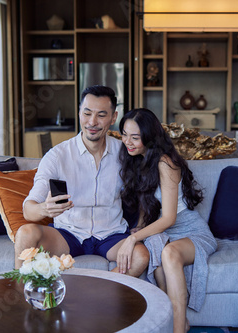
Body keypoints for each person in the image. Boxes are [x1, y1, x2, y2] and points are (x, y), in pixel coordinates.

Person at [15, 85, 149, 277]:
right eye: (87, 113)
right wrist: (45, 209)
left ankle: (101, 293)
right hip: (68, 234)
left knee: (141, 255)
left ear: (113, 117)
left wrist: (142, 222)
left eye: (101, 115)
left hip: (111, 233)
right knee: (25, 233)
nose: (92, 122)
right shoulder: (57, 156)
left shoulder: (126, 152)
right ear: (79, 113)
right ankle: (24, 301)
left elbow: (147, 189)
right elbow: (28, 209)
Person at [116, 108, 217, 333]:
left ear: (149, 137)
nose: (127, 142)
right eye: (124, 134)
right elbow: (147, 201)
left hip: (191, 231)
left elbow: (169, 218)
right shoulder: (138, 159)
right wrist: (139, 230)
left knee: (168, 253)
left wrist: (132, 241)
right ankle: (175, 319)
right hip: (164, 231)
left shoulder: (166, 162)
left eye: (135, 137)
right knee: (154, 245)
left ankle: (178, 329)